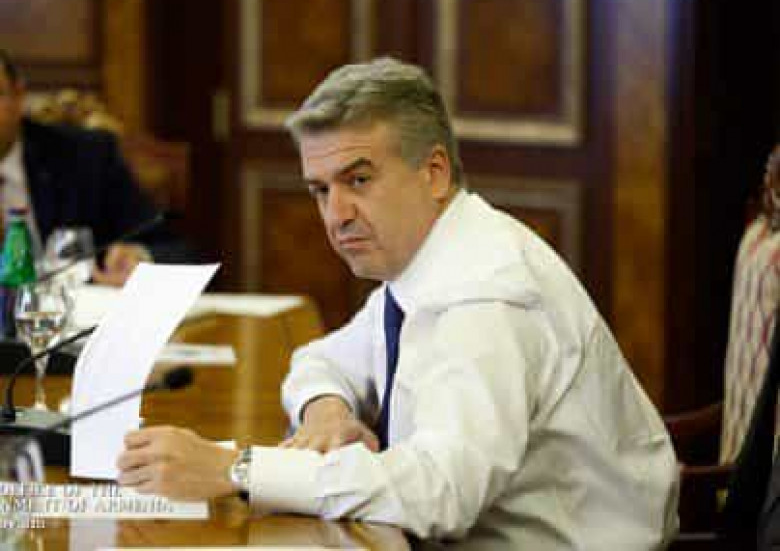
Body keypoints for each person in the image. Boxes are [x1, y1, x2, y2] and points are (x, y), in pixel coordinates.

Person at [117, 58, 680, 549]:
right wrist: (327, 412)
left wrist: (236, 469)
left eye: (358, 180)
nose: (336, 215)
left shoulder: (487, 295)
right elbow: (322, 358)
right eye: (320, 190)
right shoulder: (428, 260)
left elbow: (442, 493)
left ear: (433, 173)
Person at [0, 48, 191, 286]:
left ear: (19, 96)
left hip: (70, 305)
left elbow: (174, 249)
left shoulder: (84, 157)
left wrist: (139, 258)